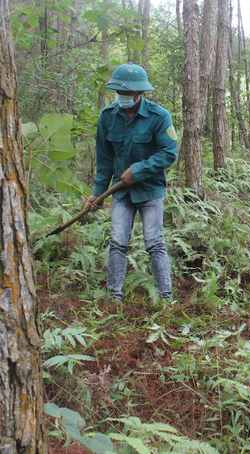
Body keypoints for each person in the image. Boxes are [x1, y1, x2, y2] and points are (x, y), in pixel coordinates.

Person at [86, 63, 178, 302]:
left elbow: (169, 153)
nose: (122, 97)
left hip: (150, 190)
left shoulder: (159, 116)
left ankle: (166, 298)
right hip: (120, 194)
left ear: (139, 93)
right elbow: (104, 159)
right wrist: (98, 192)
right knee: (117, 242)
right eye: (119, 93)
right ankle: (113, 297)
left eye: (126, 93)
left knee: (154, 243)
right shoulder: (107, 117)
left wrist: (138, 170)